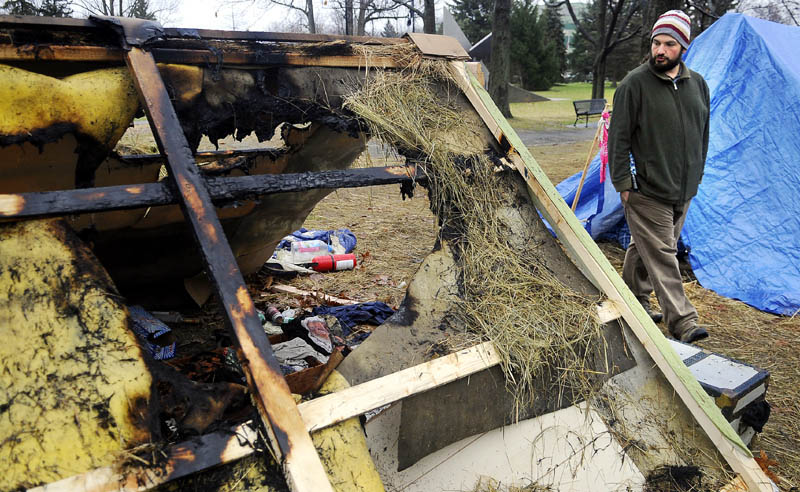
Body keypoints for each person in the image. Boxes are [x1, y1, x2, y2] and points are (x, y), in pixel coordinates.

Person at [608, 10, 710, 343]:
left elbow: (702, 133)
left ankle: (633, 300)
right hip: (646, 190)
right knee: (665, 253)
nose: (660, 50)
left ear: (684, 46)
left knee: (646, 248)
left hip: (684, 189)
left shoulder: (698, 85)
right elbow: (619, 139)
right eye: (656, 43)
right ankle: (682, 321)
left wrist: (696, 173)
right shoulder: (634, 85)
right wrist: (624, 184)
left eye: (669, 44)